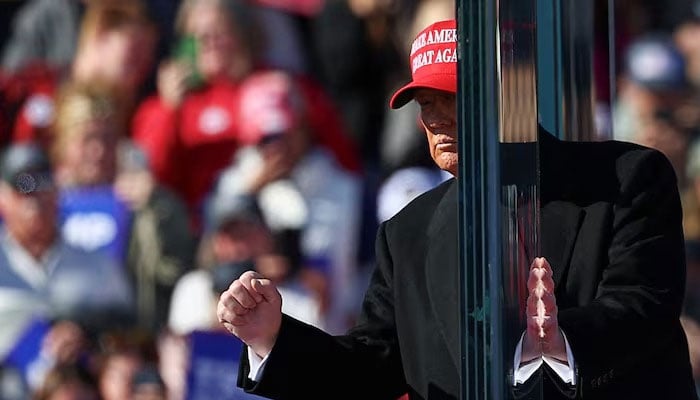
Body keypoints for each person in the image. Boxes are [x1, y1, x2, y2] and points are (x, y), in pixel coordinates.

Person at [216, 18, 697, 399]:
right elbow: (370, 369)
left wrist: (562, 342)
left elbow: (644, 305)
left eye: (453, 97)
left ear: (510, 96)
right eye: (425, 102)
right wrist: (273, 340)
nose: (436, 119)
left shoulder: (626, 177)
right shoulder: (407, 232)